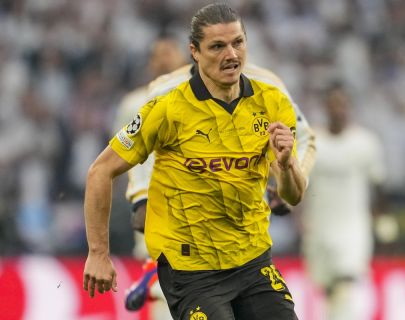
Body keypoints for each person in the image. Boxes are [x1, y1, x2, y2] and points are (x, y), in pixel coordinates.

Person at [83, 3, 306, 319]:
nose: (231, 54)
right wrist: (98, 253)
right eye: (217, 46)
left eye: (238, 42)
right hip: (191, 271)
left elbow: (293, 195)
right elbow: (100, 171)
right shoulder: (167, 110)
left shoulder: (272, 102)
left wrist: (286, 164)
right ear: (194, 52)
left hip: (253, 261)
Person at [122, 64, 316, 311]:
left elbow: (303, 136)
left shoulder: (268, 87)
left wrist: (288, 179)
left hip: (244, 221)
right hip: (185, 221)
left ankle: (157, 283)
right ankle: (159, 281)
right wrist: (141, 196)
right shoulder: (165, 91)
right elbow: (140, 149)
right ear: (195, 49)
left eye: (235, 42)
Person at [301, 83, 392, 319]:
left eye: (342, 104)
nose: (338, 110)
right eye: (333, 104)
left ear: (349, 107)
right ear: (325, 107)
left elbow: (378, 183)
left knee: (346, 281)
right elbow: (298, 183)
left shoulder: (365, 143)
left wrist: (382, 218)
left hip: (353, 228)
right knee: (331, 289)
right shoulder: (312, 142)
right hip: (319, 229)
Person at [112, 38, 187, 315]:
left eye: (169, 53)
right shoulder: (133, 103)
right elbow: (115, 157)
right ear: (150, 62)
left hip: (188, 204)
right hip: (149, 204)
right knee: (164, 287)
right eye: (158, 55)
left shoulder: (191, 99)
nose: (164, 59)